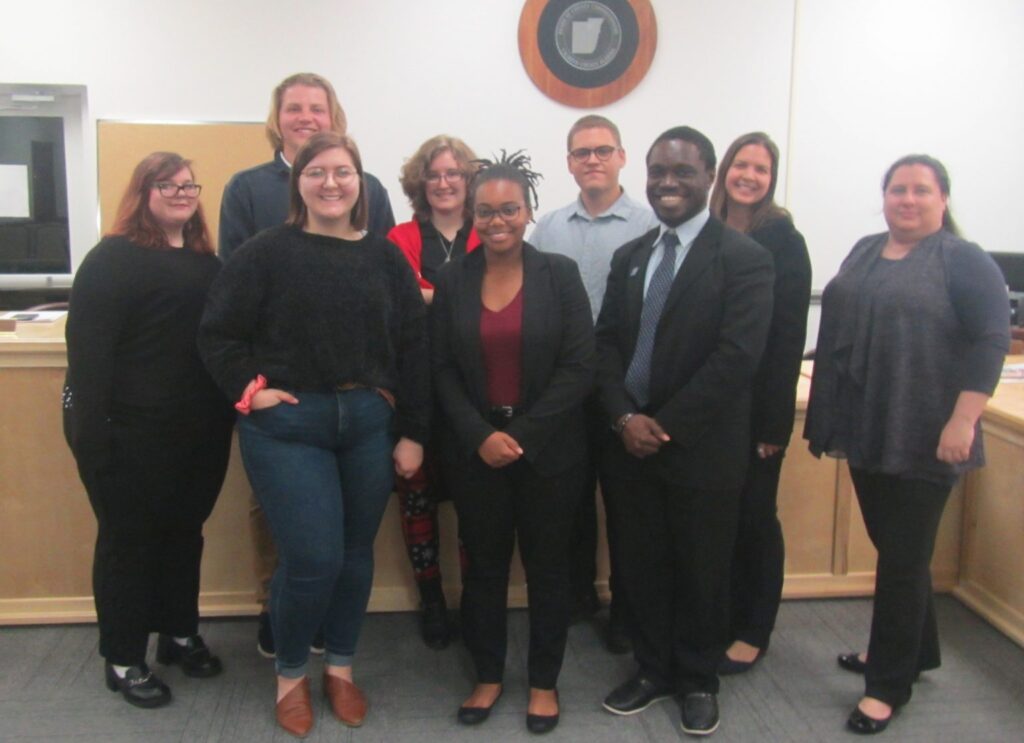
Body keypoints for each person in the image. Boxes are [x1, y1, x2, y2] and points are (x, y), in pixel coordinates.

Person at [198, 132, 429, 737]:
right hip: (287, 426)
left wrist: (412, 432)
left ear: (361, 183)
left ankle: (343, 671)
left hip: (368, 425)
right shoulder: (266, 252)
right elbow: (218, 333)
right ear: (297, 182)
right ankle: (292, 675)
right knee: (311, 560)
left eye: (344, 172)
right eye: (318, 172)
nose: (331, 183)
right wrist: (251, 393)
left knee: (355, 561)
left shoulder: (384, 257)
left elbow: (415, 348)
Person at [805, 155, 1009, 735]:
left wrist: (963, 420)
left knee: (900, 559)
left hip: (928, 431)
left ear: (943, 199)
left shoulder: (964, 261)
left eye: (922, 190)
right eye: (898, 189)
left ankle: (887, 684)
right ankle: (918, 651)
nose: (908, 199)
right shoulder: (867, 248)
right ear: (884, 196)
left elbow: (991, 341)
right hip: (869, 421)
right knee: (896, 546)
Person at [596, 126, 774, 736]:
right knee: (639, 567)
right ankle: (650, 669)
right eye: (658, 172)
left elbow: (736, 359)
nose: (668, 183)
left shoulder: (745, 259)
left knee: (702, 570)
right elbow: (606, 347)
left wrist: (662, 427)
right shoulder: (632, 256)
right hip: (630, 448)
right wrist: (624, 418)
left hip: (702, 449)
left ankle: (697, 678)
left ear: (710, 176)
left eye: (683, 172)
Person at [218, 72, 396, 658]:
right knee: (296, 539)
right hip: (286, 407)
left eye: (316, 108)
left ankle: (327, 635)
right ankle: (283, 621)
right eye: (293, 108)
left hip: (358, 408)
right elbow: (231, 303)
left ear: (333, 117)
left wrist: (390, 395)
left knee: (344, 546)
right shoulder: (248, 190)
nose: (305, 117)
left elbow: (384, 284)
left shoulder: (368, 184)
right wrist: (251, 390)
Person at [431, 151, 595, 734]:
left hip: (548, 452)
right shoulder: (452, 279)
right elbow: (442, 368)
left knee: (549, 569)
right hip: (476, 452)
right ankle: (488, 675)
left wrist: (518, 436)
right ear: (471, 215)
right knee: (484, 570)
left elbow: (580, 366)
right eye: (485, 211)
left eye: (508, 209)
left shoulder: (560, 274)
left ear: (527, 213)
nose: (496, 220)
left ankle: (544, 683)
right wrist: (481, 435)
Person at [63, 152, 234, 708]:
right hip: (127, 435)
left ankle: (178, 636)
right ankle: (122, 657)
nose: (182, 193)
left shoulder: (209, 265)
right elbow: (88, 360)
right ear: (143, 192)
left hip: (199, 433)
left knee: (185, 535)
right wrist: (92, 440)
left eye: (190, 184)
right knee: (128, 546)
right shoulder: (111, 260)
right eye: (168, 184)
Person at [529, 115, 658, 652]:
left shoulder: (651, 226)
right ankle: (578, 596)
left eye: (603, 151)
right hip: (561, 391)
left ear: (623, 157)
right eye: (582, 153)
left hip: (624, 388)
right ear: (569, 163)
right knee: (568, 503)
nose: (593, 161)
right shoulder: (549, 228)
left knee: (627, 508)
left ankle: (628, 613)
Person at [708, 132, 812, 674]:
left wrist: (775, 423)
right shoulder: (708, 231)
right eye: (741, 165)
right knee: (720, 519)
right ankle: (724, 617)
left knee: (754, 518)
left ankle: (754, 629)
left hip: (757, 412)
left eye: (762, 169)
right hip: (712, 409)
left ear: (772, 180)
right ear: (726, 170)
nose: (749, 176)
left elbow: (788, 336)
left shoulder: (782, 240)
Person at [386, 135, 479, 649]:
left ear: (469, 182)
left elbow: (497, 300)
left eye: (454, 173)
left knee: (473, 503)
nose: (444, 183)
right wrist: (459, 298)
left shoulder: (489, 231)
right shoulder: (397, 236)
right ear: (420, 183)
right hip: (413, 392)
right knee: (416, 502)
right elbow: (398, 303)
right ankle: (432, 603)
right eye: (435, 174)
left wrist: (429, 295)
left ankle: (472, 602)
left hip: (474, 394)